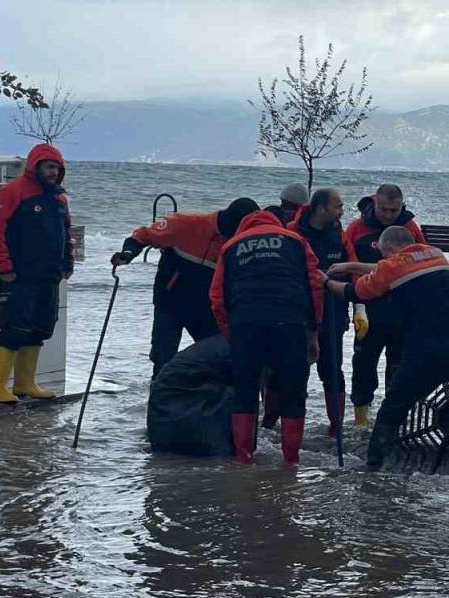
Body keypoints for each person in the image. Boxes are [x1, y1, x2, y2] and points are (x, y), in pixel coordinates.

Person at [327, 226, 449, 479]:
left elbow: (355, 291)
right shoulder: (434, 254)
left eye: (383, 254)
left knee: (396, 404)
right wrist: (353, 265)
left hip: (426, 348)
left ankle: (373, 466)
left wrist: (326, 282)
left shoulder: (389, 267)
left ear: (389, 250)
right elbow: (390, 268)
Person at [210, 209, 325, 466]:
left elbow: (216, 297)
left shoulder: (230, 246)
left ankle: (244, 458)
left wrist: (230, 332)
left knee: (245, 392)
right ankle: (291, 461)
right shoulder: (296, 241)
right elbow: (315, 285)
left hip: (245, 325)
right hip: (290, 324)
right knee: (293, 393)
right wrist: (314, 330)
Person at [112, 197, 260, 377]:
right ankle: (159, 399)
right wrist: (128, 253)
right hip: (170, 303)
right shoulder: (185, 224)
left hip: (206, 309)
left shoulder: (242, 243)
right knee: (163, 360)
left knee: (216, 361)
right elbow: (143, 235)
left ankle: (206, 400)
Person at [0, 143, 74, 403]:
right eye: (49, 167)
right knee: (14, 327)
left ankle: (25, 383)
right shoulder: (12, 192)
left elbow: (66, 234)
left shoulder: (59, 198)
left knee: (40, 328)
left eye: (57, 169)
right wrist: (4, 268)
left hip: (49, 275)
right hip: (20, 275)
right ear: (35, 167)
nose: (53, 173)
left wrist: (67, 263)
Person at [343, 184, 427, 425]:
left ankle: (396, 418)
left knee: (400, 366)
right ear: (375, 204)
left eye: (394, 210)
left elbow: (422, 260)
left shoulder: (410, 228)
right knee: (363, 363)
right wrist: (358, 302)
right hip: (368, 308)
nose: (389, 215)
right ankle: (361, 418)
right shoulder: (357, 229)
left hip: (403, 309)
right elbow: (349, 263)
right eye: (384, 209)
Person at [283, 188, 356, 437]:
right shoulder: (293, 232)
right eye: (338, 206)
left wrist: (359, 307)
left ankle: (337, 428)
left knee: (332, 369)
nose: (342, 212)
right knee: (293, 370)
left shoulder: (339, 234)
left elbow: (354, 271)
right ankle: (285, 424)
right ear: (320, 208)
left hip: (333, 313)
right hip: (298, 313)